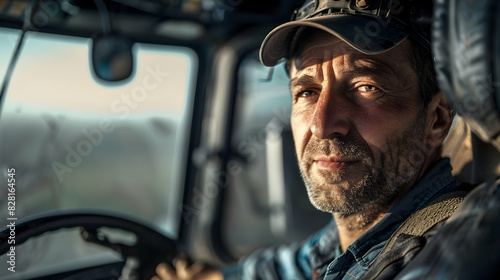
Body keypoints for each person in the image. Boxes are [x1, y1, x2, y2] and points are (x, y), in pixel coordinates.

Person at [152, 0, 467, 279]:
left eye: (365, 87)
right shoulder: (348, 242)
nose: (322, 125)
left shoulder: (446, 255)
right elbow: (293, 267)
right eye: (307, 92)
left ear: (437, 118)